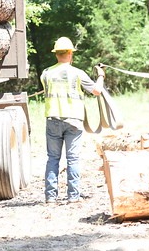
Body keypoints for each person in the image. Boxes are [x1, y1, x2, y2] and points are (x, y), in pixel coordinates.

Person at [40, 37, 105, 203]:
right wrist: (101, 76)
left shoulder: (46, 73)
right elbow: (97, 91)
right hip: (74, 121)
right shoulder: (78, 73)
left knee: (53, 159)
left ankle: (50, 197)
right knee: (73, 159)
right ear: (70, 54)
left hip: (53, 119)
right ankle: (73, 196)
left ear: (56, 54)